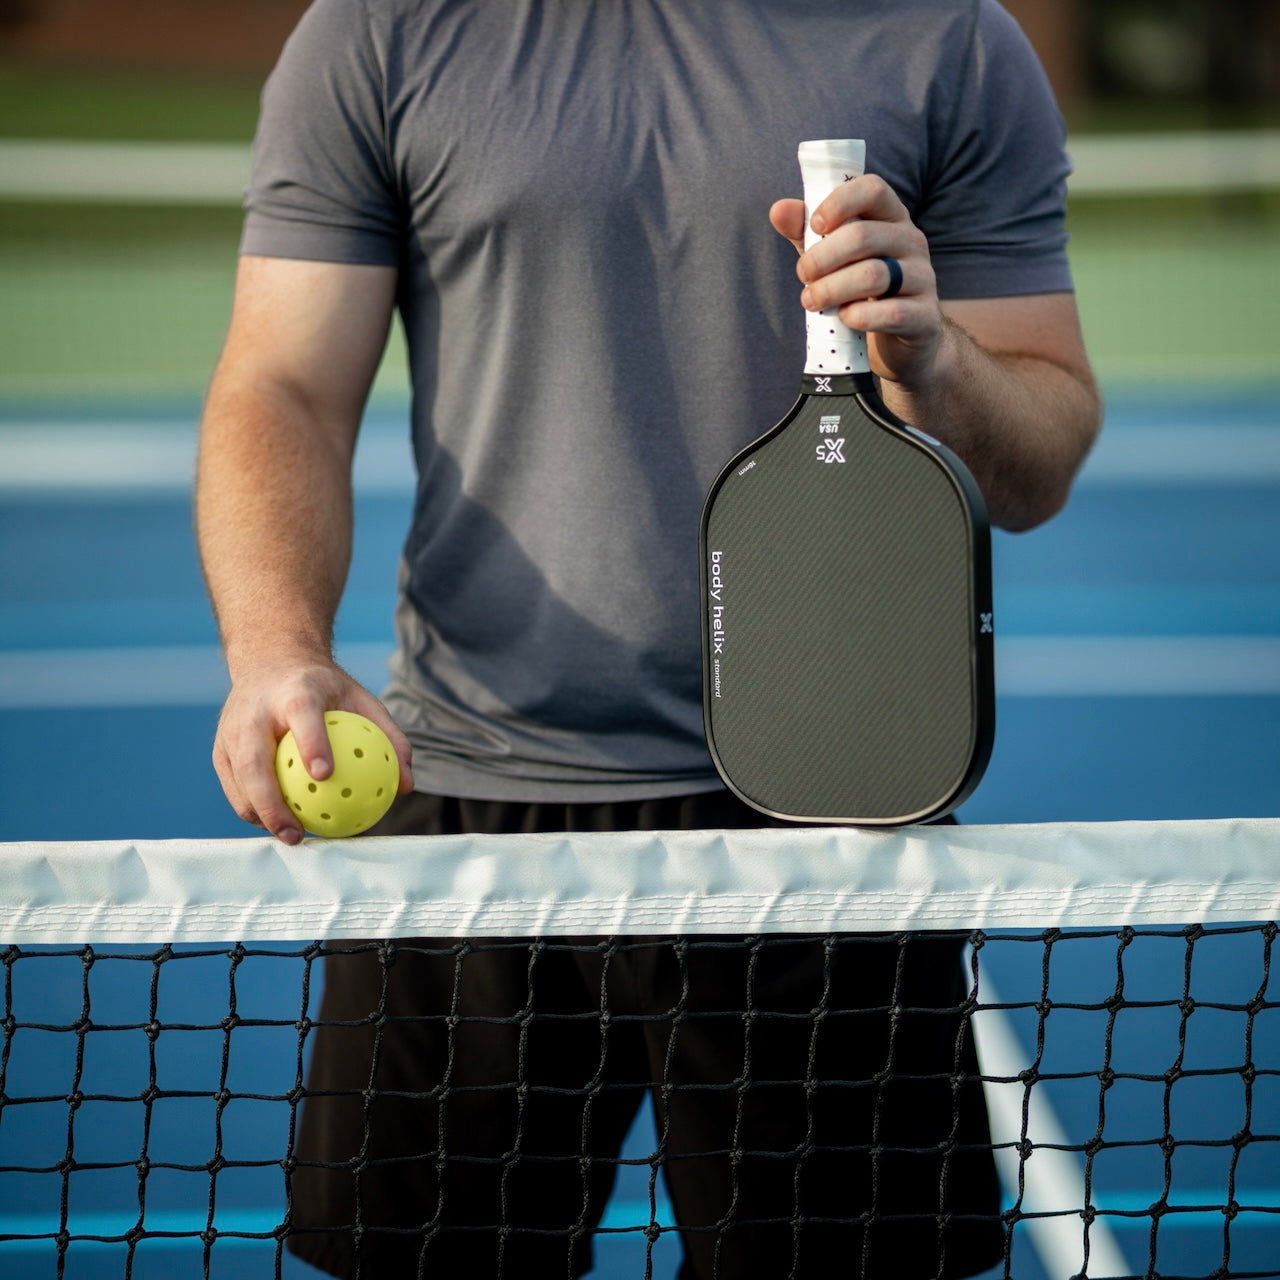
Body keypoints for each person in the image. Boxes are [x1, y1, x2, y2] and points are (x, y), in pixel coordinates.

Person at [195, 1, 1101, 1276]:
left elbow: (1039, 452)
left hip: (826, 810)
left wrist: (930, 357)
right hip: (468, 811)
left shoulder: (945, 36)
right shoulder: (384, 30)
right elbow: (279, 380)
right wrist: (275, 642)